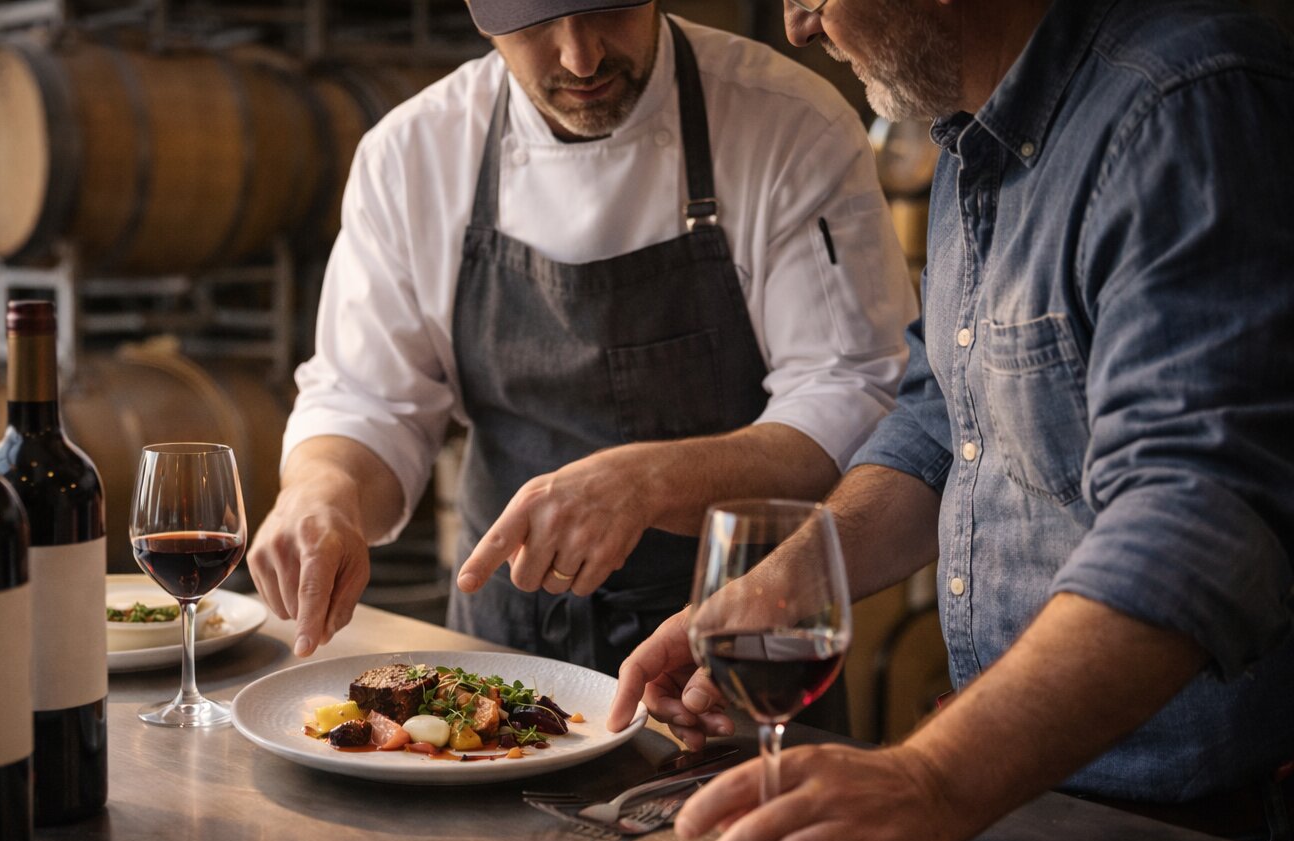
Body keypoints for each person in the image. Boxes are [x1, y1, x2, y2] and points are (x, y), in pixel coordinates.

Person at [610, 0, 1294, 841]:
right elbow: (945, 416)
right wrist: (788, 586)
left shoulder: (1183, 105)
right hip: (1029, 804)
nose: (799, 27)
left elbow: (1198, 516)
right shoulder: (975, 136)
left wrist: (930, 780)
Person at [247, 0, 917, 688]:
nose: (581, 58)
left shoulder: (786, 121)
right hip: (500, 650)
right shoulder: (414, 152)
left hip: (727, 648)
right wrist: (324, 491)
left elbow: (856, 396)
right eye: (536, 26)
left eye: (610, 9)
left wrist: (651, 482)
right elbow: (368, 400)